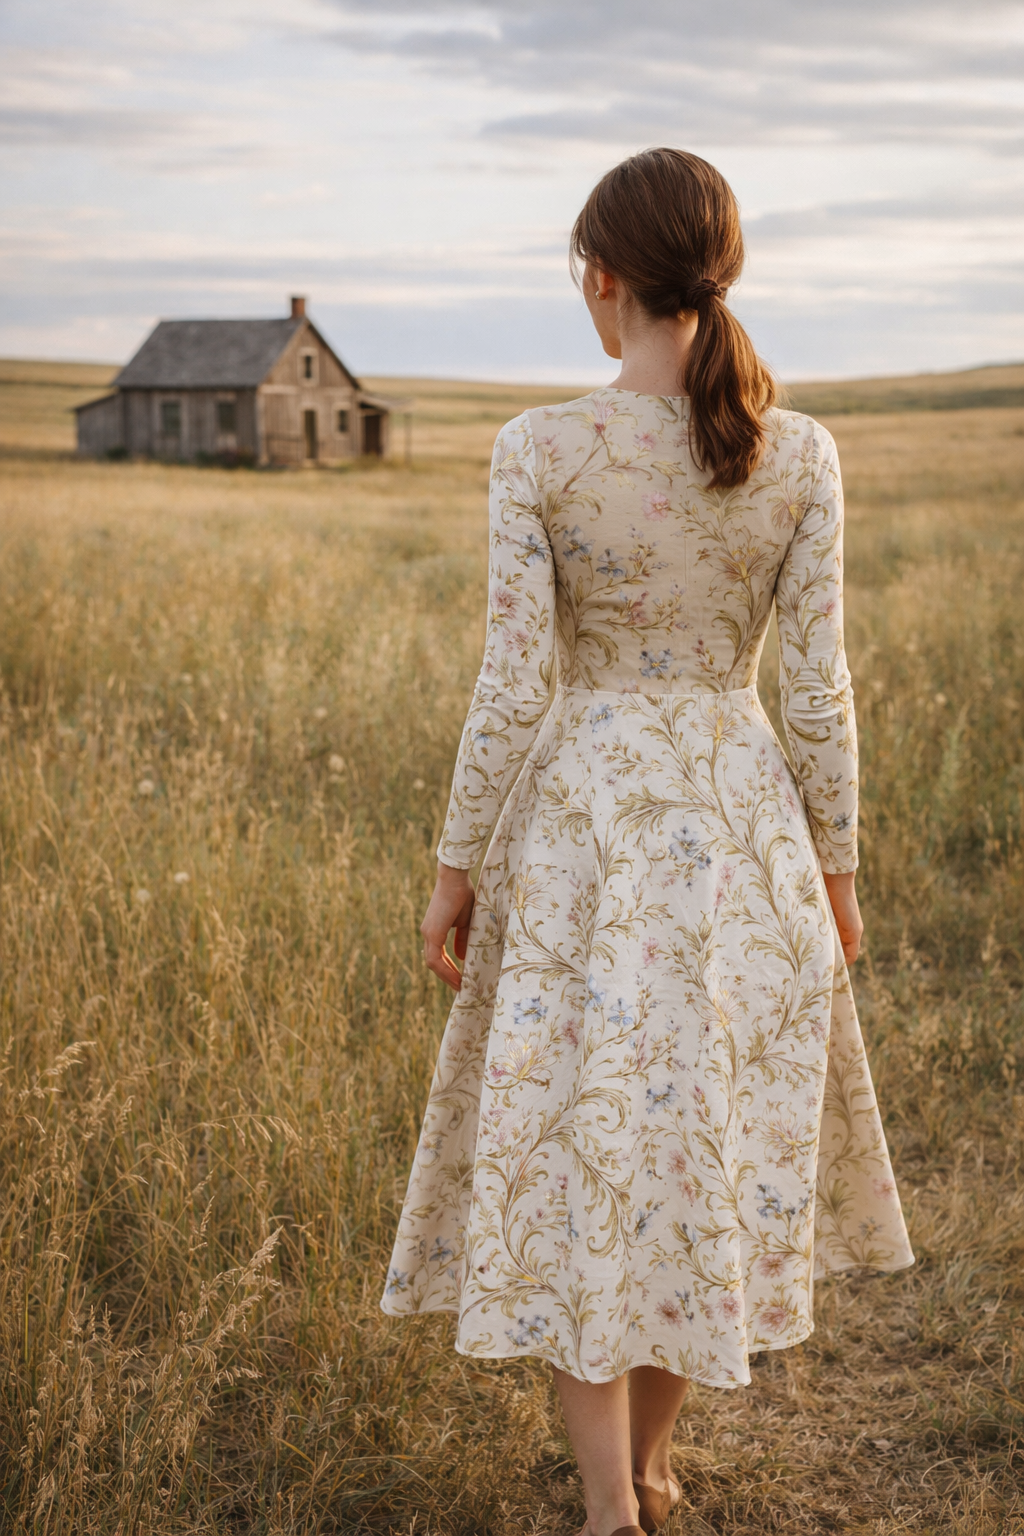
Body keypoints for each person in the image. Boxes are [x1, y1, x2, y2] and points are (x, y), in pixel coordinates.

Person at [381, 148, 913, 1536]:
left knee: (584, 1165)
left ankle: (614, 1505)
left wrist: (453, 874)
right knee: (700, 1159)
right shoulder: (799, 453)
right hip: (745, 834)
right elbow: (815, 689)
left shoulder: (540, 448)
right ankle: (651, 1474)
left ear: (602, 277)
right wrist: (836, 874)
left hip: (583, 842)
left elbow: (510, 684)